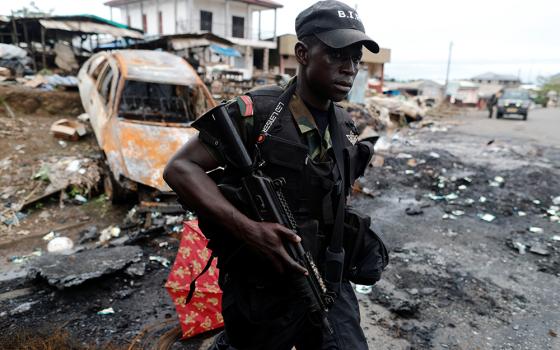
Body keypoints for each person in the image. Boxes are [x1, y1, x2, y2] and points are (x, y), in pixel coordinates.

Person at [163, 1, 383, 349]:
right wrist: (249, 229)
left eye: (356, 58)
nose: (350, 68)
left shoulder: (345, 125)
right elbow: (179, 168)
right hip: (262, 286)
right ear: (303, 52)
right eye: (338, 54)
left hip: (325, 279)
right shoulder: (257, 113)